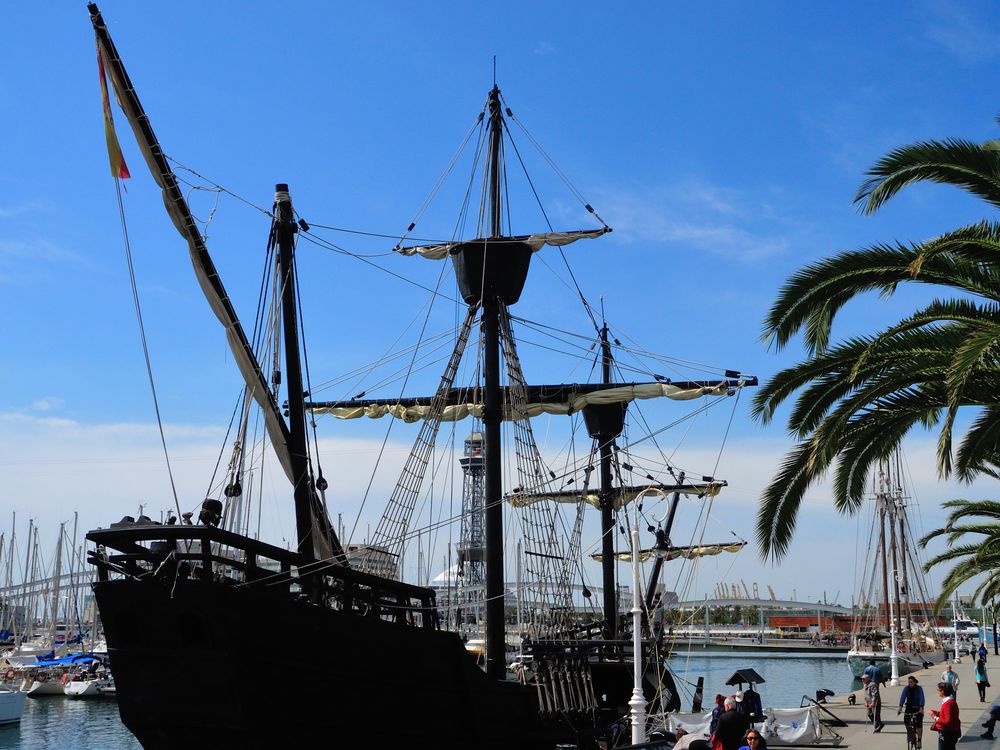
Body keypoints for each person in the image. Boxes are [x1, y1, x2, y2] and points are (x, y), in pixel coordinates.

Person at [929, 681, 960, 750]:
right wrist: (937, 712)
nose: (937, 691)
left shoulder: (947, 704)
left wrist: (934, 716)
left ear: (942, 691)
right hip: (952, 731)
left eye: (938, 689)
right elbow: (948, 714)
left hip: (946, 732)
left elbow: (947, 721)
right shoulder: (950, 702)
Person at [898, 675, 925, 749]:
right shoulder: (906, 689)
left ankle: (919, 740)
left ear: (915, 682)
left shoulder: (919, 689)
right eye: (908, 682)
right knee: (906, 721)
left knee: (919, 725)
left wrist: (921, 707)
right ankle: (911, 736)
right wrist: (900, 707)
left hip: (918, 708)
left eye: (911, 682)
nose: (909, 683)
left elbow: (922, 697)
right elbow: (902, 697)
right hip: (909, 708)